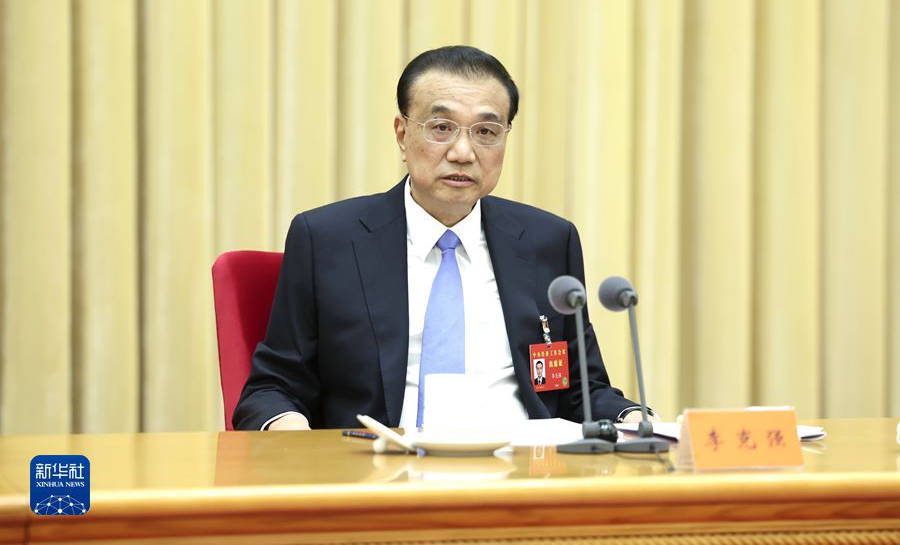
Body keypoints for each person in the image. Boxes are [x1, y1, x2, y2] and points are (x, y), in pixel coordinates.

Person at [233, 45, 650, 431]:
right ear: (402, 134)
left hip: (522, 472)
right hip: (376, 471)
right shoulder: (328, 240)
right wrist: (297, 437)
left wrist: (639, 420)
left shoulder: (547, 241)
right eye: (441, 127)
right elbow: (273, 388)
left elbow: (580, 391)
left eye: (486, 132)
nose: (463, 152)